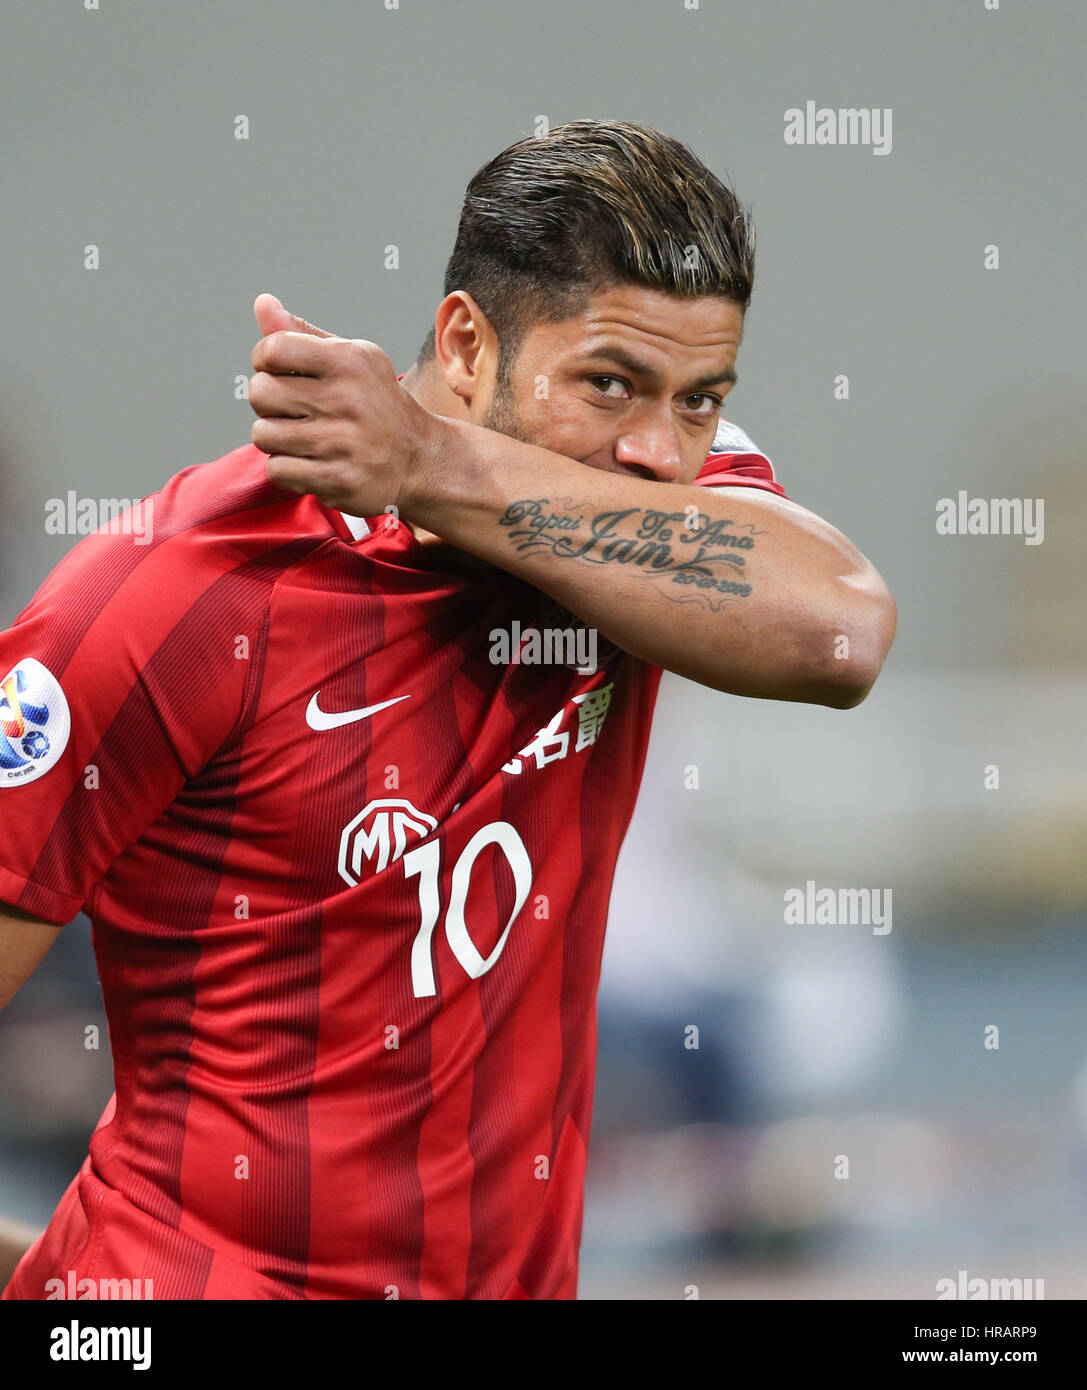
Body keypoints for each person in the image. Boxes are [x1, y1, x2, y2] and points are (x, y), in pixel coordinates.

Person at [0, 120, 895, 1300]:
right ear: (466, 344)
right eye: (609, 384)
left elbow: (838, 633)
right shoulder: (174, 597)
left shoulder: (648, 520)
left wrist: (427, 461)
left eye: (701, 401)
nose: (656, 452)